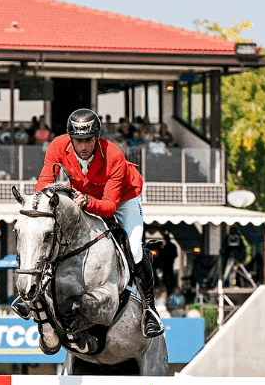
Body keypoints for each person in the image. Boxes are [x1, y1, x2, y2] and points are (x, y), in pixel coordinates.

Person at [11, 108, 163, 338]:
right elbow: (45, 180)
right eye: (78, 140)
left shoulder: (114, 155)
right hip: (84, 195)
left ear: (97, 137)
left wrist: (87, 201)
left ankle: (150, 310)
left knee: (134, 248)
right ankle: (34, 295)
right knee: (56, 235)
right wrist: (41, 204)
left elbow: (110, 206)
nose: (83, 146)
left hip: (123, 198)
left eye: (88, 140)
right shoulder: (58, 146)